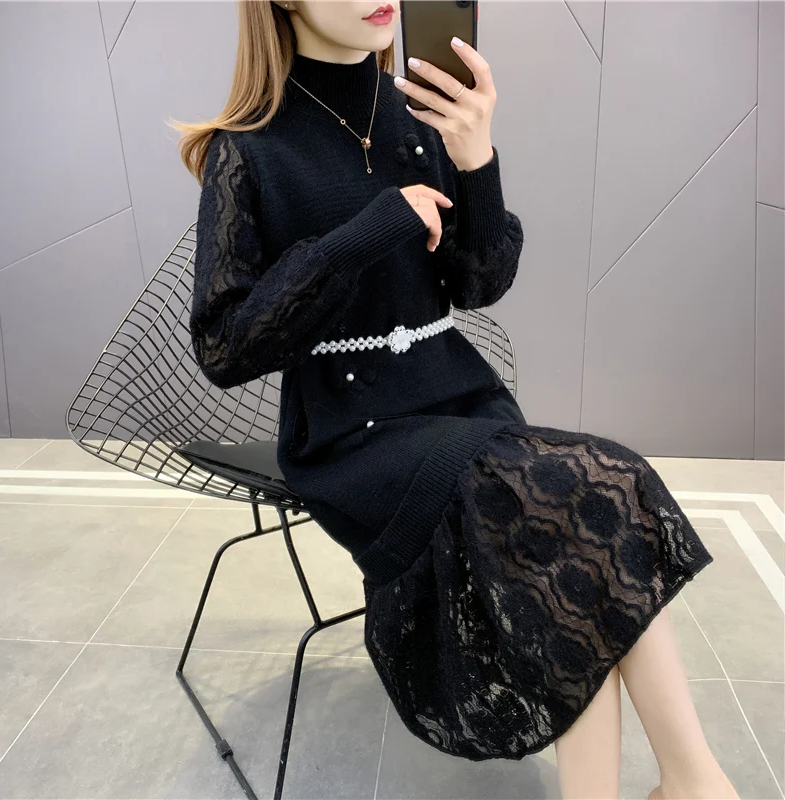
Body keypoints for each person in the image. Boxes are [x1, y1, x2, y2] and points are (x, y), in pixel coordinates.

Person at [173, 2, 739, 797]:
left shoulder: (422, 112)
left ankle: (687, 780)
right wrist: (366, 231)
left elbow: (479, 283)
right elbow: (226, 347)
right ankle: (695, 784)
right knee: (595, 488)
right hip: (352, 432)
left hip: (459, 396)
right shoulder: (249, 149)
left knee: (588, 512)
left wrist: (477, 162)